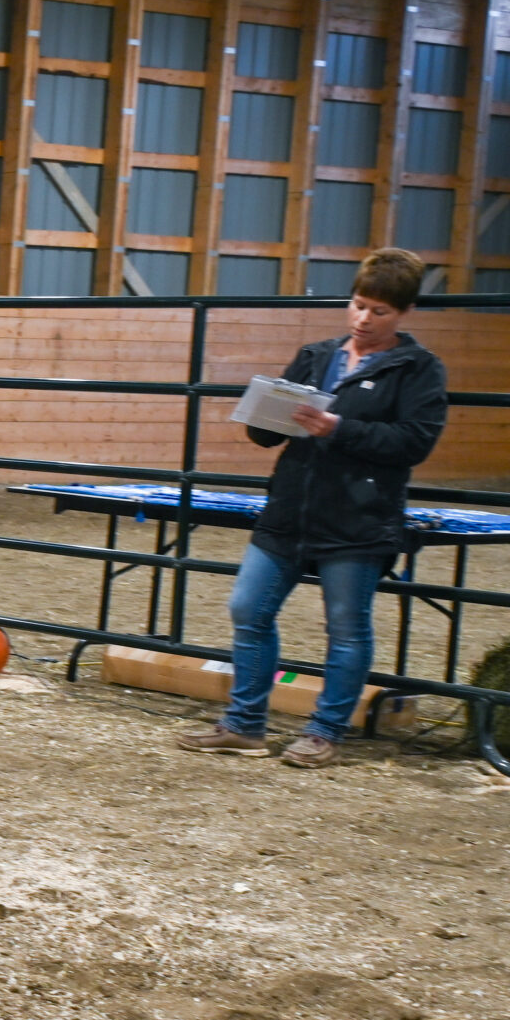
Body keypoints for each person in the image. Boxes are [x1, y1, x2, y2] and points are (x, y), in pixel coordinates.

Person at [178, 248, 448, 769]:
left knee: (346, 627)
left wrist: (340, 428)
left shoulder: (418, 370)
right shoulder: (315, 355)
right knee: (247, 608)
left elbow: (414, 442)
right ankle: (244, 724)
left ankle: (325, 731)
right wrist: (265, 413)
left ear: (405, 313)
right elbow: (264, 434)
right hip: (290, 509)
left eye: (379, 312)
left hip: (358, 518)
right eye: (358, 305)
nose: (363, 319)